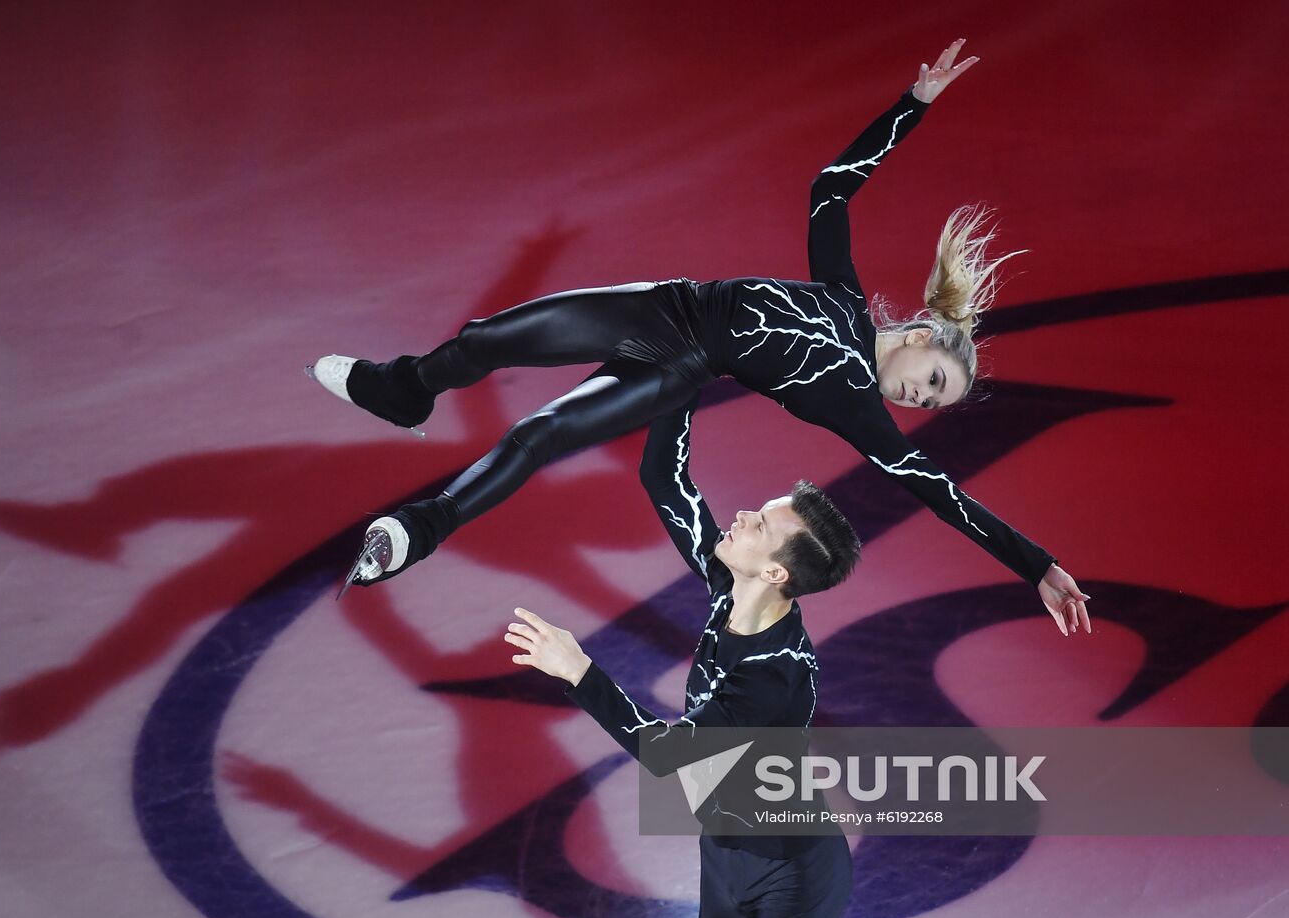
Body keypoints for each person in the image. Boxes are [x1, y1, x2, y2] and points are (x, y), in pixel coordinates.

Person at [313, 39, 1092, 635]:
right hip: (661, 305)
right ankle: (402, 389)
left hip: (681, 366)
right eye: (931, 380)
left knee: (538, 434)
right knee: (484, 340)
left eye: (929, 403)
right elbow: (831, 188)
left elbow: (947, 498)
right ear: (922, 332)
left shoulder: (859, 410)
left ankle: (419, 529)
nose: (916, 397)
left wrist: (1038, 566)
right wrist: (913, 102)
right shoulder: (842, 295)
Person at [508, 400, 860, 918]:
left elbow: (664, 752)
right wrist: (680, 377)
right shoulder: (731, 588)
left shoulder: (773, 675)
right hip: (723, 852)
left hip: (794, 874)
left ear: (773, 573)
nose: (741, 517)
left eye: (760, 525)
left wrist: (578, 670)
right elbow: (664, 479)